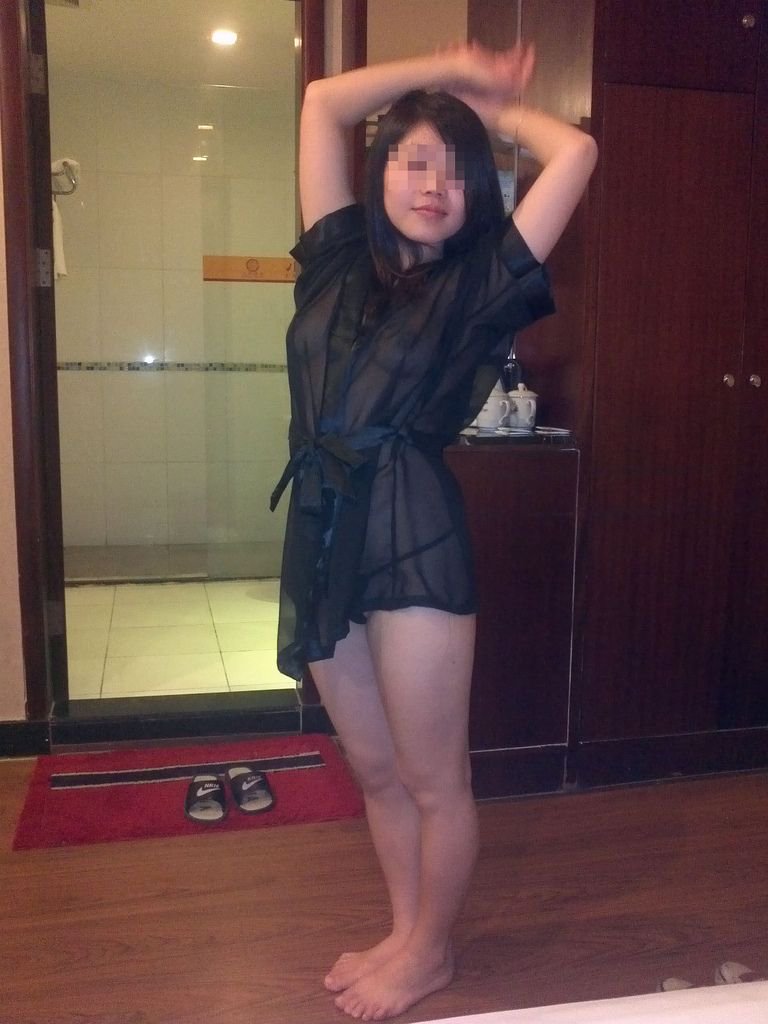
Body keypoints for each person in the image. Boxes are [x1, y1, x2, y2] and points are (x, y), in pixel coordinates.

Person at [270, 42, 597, 1021]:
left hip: (411, 534)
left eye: (456, 173)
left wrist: (487, 109)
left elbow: (575, 153)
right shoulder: (334, 254)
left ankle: (429, 951)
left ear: (474, 196)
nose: (433, 185)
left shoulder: (482, 281)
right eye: (414, 160)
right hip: (323, 528)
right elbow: (325, 102)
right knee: (374, 769)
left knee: (431, 776)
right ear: (380, 173)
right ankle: (408, 931)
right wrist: (444, 66)